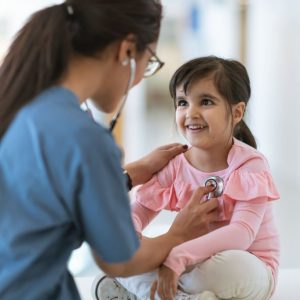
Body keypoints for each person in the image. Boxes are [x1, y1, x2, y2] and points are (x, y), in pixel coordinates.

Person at [0, 2, 221, 300]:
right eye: (150, 61)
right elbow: (119, 258)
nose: (142, 75)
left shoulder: (21, 107)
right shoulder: (84, 136)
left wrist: (128, 175)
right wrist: (178, 233)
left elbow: (43, 194)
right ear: (128, 49)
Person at [99, 56, 280, 300]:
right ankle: (181, 296)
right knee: (117, 251)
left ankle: (145, 291)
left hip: (245, 266)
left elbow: (241, 234)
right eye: (182, 102)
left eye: (205, 102)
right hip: (190, 265)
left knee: (228, 268)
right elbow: (139, 210)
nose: (190, 112)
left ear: (237, 112)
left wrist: (176, 258)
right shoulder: (175, 164)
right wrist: (130, 240)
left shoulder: (250, 164)